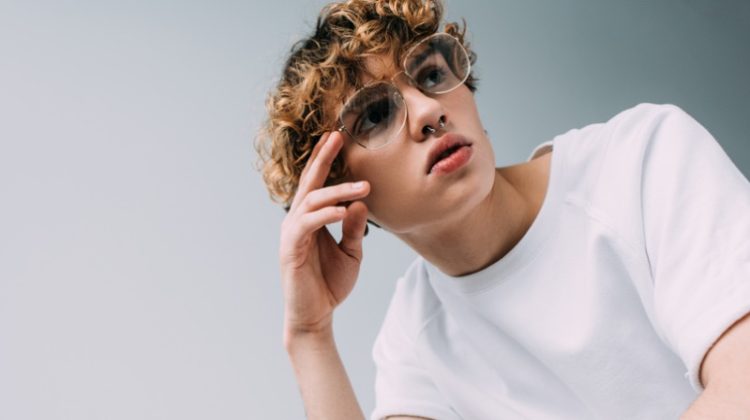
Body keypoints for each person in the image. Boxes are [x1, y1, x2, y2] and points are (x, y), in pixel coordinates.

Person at [255, 0, 750, 419]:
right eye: (378, 114)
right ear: (340, 194)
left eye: (431, 75)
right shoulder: (416, 335)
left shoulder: (644, 160)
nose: (430, 112)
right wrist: (310, 336)